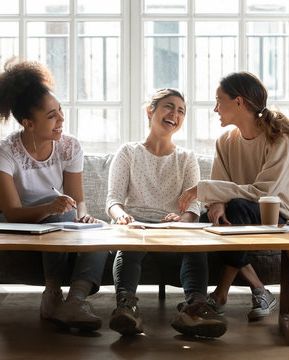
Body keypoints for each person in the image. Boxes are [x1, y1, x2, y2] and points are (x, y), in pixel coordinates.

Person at [0, 59, 108, 331]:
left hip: (53, 216)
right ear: (28, 123)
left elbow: (77, 199)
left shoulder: (69, 147)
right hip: (8, 219)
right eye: (52, 116)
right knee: (61, 214)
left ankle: (75, 300)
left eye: (60, 111)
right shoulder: (4, 153)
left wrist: (84, 217)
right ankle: (51, 295)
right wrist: (53, 207)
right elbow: (13, 212)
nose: (61, 120)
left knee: (101, 230)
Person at [178, 71, 289, 321]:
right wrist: (216, 203)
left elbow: (262, 193)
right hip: (243, 213)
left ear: (238, 102)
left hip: (281, 217)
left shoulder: (279, 140)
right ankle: (257, 288)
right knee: (209, 219)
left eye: (219, 101)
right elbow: (221, 184)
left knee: (238, 208)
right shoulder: (225, 140)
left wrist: (208, 190)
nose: (216, 108)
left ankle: (221, 293)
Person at [106, 88, 227, 338]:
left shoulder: (186, 158)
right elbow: (114, 199)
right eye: (169, 107)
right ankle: (126, 308)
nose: (175, 114)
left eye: (181, 111)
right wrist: (121, 216)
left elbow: (194, 205)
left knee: (196, 242)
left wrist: (183, 221)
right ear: (150, 111)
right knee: (128, 244)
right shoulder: (128, 152)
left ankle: (195, 309)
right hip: (136, 226)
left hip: (173, 229)